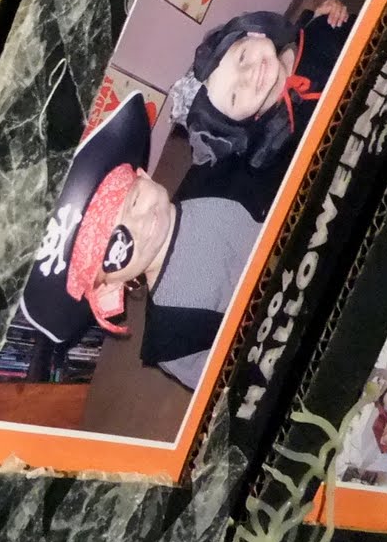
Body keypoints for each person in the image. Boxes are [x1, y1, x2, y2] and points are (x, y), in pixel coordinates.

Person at [63, 162, 263, 389]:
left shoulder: (220, 176)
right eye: (115, 245)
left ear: (144, 176)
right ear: (108, 285)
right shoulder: (173, 336)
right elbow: (232, 384)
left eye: (134, 201)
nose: (138, 224)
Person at [167, 0, 353, 219]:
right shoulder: (267, 156)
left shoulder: (322, 30)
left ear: (254, 33)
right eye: (234, 96)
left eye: (242, 57)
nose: (249, 75)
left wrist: (321, 19)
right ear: (234, 124)